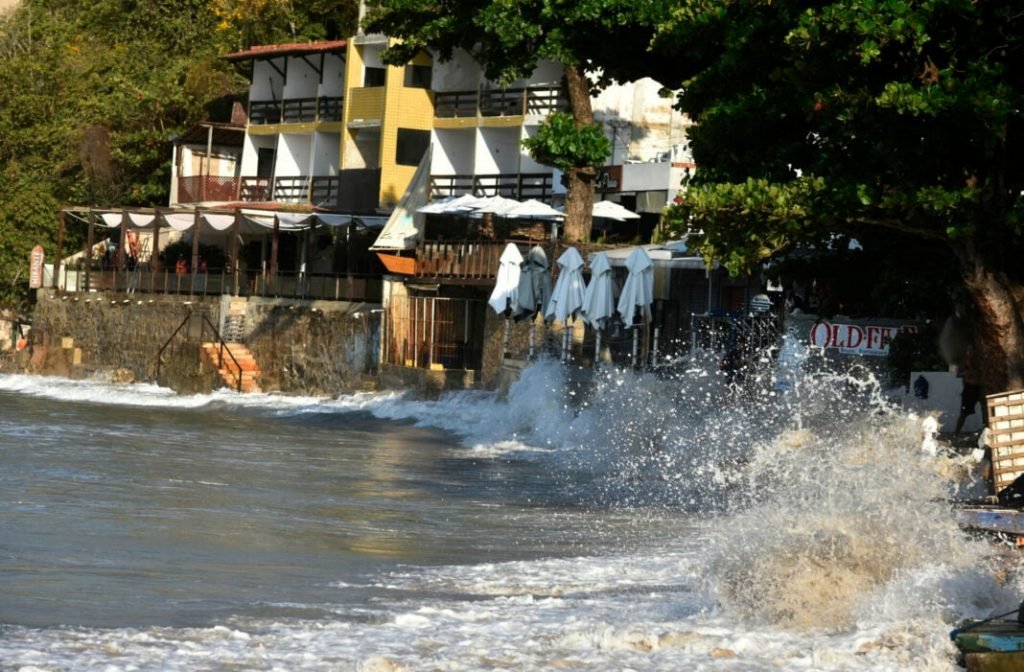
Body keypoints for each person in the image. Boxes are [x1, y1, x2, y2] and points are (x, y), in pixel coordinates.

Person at [955, 347, 984, 436]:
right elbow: (958, 374)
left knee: (985, 408)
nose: (971, 352)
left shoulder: (981, 360)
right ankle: (956, 433)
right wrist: (966, 373)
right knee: (963, 413)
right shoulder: (964, 361)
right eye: (970, 351)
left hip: (981, 387)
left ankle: (986, 429)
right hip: (970, 388)